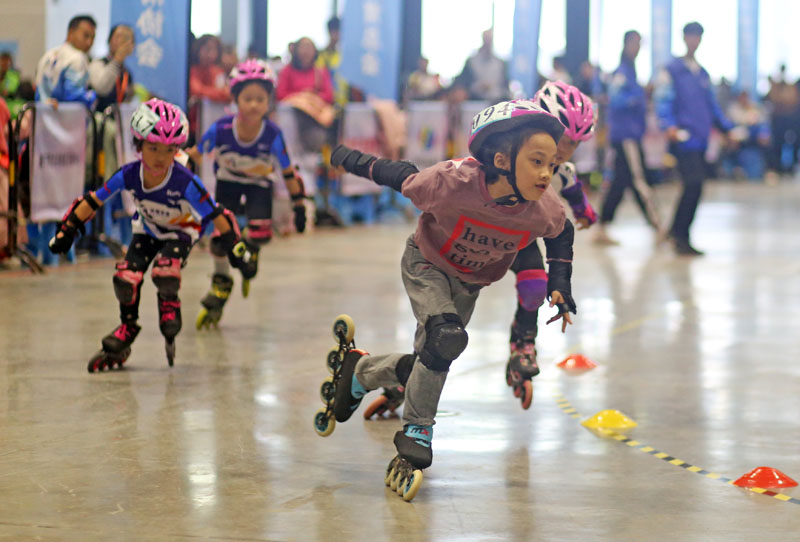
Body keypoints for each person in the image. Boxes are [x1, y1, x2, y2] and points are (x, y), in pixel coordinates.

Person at [316, 100, 577, 501]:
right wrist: (349, 159)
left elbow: (562, 233)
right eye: (537, 161)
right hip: (426, 264)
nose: (546, 174)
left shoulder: (542, 207)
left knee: (430, 359)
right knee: (445, 338)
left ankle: (361, 373)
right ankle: (416, 432)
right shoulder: (453, 183)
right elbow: (399, 175)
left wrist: (561, 282)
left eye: (552, 164)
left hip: (470, 284)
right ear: (501, 159)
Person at [365, 82, 597, 416]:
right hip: (486, 236)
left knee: (535, 287)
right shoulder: (513, 153)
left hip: (521, 239)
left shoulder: (563, 172)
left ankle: (522, 347)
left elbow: (572, 192)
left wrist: (586, 212)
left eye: (574, 143)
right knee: (441, 332)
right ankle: (405, 380)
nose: (563, 150)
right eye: (562, 138)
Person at [48, 99, 249, 371]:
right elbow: (94, 200)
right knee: (125, 278)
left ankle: (169, 300)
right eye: (152, 148)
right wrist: (68, 228)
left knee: (165, 273)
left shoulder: (185, 181)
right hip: (148, 228)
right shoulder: (129, 174)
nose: (160, 157)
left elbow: (216, 215)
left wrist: (237, 249)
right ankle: (128, 327)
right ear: (138, 145)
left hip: (180, 231)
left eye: (169, 150)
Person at [188, 60, 308, 328]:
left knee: (261, 233)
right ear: (235, 100)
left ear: (269, 102)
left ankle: (249, 249)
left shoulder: (273, 133)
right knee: (220, 239)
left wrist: (298, 205)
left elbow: (288, 171)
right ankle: (221, 283)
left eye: (260, 99)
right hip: (228, 183)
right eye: (247, 98)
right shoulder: (221, 130)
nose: (254, 105)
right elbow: (194, 154)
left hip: (259, 185)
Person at [655, 21, 733, 256]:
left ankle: (676, 231)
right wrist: (668, 125)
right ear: (684, 38)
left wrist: (727, 129)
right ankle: (680, 235)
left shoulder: (702, 73)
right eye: (690, 36)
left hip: (700, 139)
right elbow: (663, 98)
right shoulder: (673, 70)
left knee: (694, 186)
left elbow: (712, 106)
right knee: (693, 184)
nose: (694, 40)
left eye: (698, 36)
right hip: (683, 138)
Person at [596, 30, 663, 245]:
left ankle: (602, 227)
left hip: (630, 134)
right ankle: (658, 225)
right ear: (627, 44)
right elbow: (615, 99)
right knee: (639, 179)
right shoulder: (622, 72)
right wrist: (640, 96)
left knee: (620, 181)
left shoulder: (631, 72)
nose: (638, 48)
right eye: (635, 43)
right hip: (626, 136)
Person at [277, 37, 335, 152]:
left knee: (319, 139)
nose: (306, 51)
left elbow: (329, 95)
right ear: (296, 50)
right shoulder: (286, 71)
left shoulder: (320, 71)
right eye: (303, 47)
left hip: (315, 119)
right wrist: (301, 95)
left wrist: (312, 96)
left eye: (309, 47)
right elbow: (280, 94)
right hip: (292, 116)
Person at [35, 14, 97, 107]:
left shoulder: (47, 55)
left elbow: (38, 94)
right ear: (71, 33)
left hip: (42, 117)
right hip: (67, 118)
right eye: (86, 35)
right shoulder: (78, 58)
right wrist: (93, 96)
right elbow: (74, 96)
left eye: (92, 38)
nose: (89, 42)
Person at [89, 24, 135, 114]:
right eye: (119, 37)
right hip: (98, 121)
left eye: (127, 38)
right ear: (109, 40)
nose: (122, 42)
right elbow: (101, 89)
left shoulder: (127, 73)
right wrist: (117, 60)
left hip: (118, 122)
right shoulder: (97, 63)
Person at [453, 29, 510, 102]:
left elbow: (505, 86)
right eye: (486, 39)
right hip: (474, 100)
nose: (488, 42)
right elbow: (463, 83)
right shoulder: (471, 62)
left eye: (489, 39)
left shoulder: (500, 63)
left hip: (496, 100)